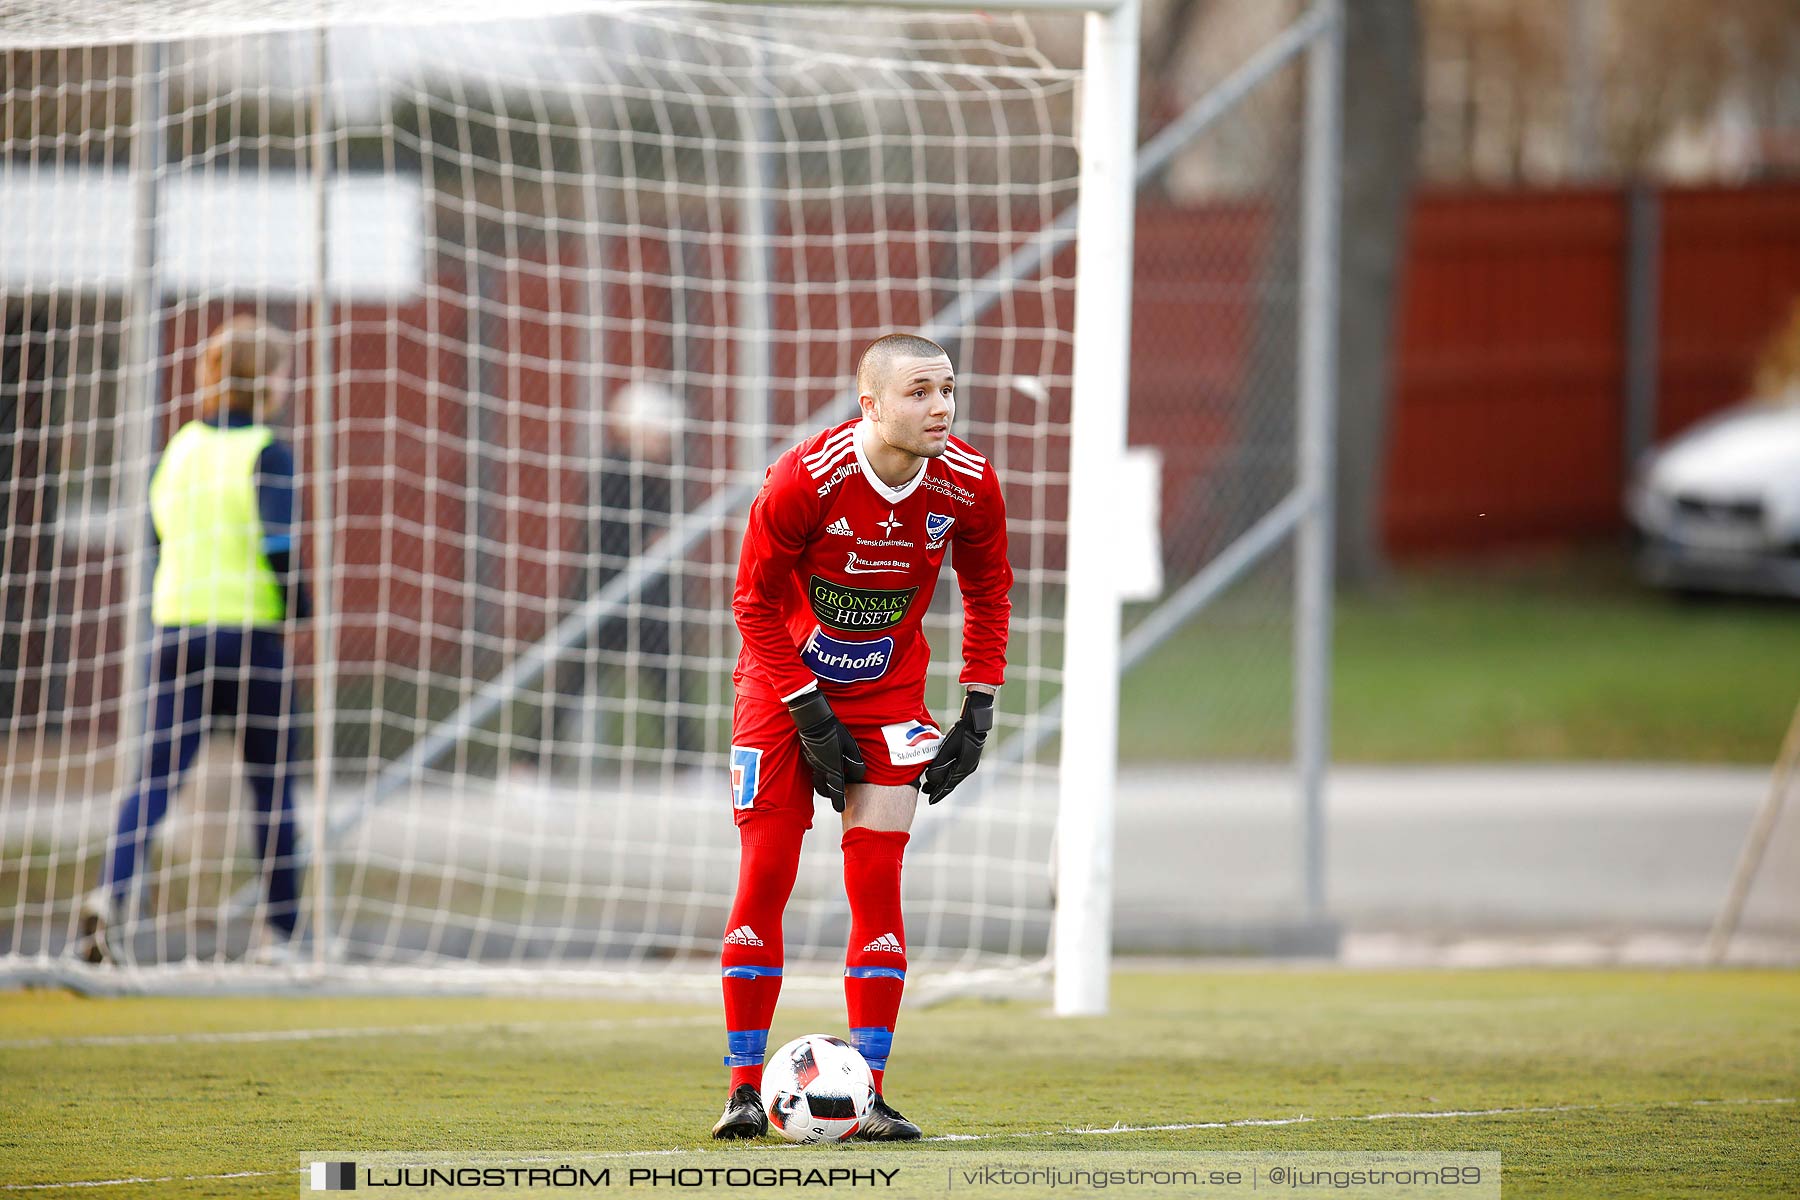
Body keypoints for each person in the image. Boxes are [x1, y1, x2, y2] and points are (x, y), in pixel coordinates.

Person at [712, 333, 1012, 1140]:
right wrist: (807, 710)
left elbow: (988, 592)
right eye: (918, 392)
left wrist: (978, 705)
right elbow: (752, 605)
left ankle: (870, 1093)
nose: (941, 407)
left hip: (887, 700)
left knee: (878, 880)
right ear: (869, 403)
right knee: (767, 870)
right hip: (778, 689)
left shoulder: (970, 486)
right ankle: (743, 1091)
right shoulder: (803, 481)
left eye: (947, 389)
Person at [76, 316, 310, 965]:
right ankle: (282, 935)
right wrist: (301, 603)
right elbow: (277, 542)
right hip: (247, 636)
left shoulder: (178, 450)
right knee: (271, 785)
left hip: (176, 632)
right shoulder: (267, 450)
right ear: (265, 380)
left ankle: (110, 892)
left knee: (155, 779)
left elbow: (157, 539)